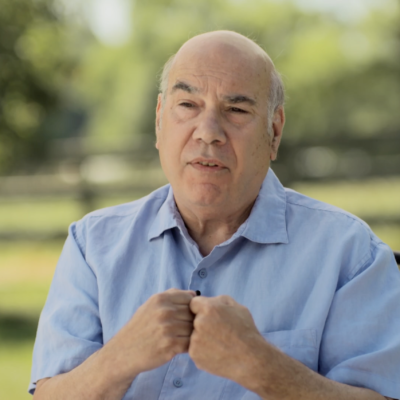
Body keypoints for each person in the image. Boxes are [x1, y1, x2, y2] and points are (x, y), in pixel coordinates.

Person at [30, 31, 400, 400]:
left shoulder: (352, 255)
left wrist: (262, 367)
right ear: (160, 119)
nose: (208, 133)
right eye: (188, 105)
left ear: (274, 132)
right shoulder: (92, 245)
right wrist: (121, 357)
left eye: (236, 110)